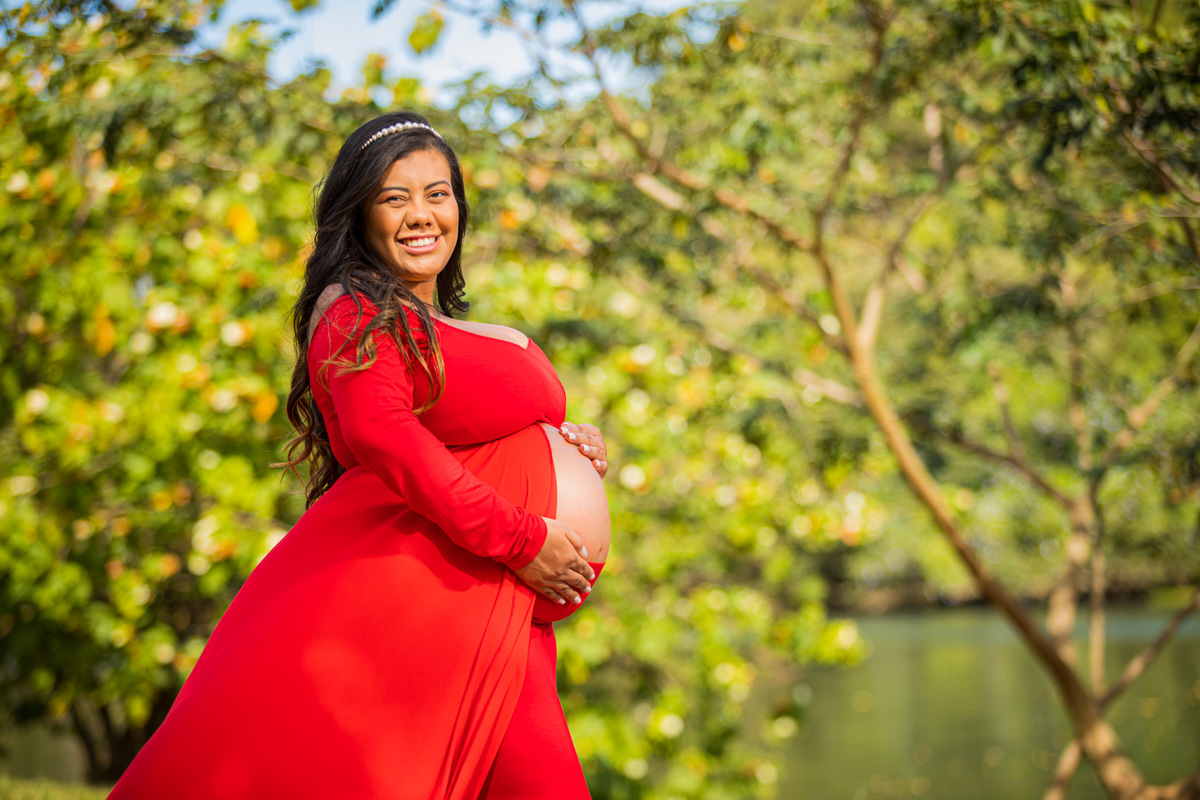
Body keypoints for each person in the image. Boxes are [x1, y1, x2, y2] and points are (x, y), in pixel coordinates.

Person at [108, 111, 612, 799]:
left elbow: (475, 426)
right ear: (359, 213)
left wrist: (569, 442)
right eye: (393, 197)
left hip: (486, 604)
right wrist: (523, 537)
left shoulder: (433, 324)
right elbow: (385, 437)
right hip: (427, 594)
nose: (421, 214)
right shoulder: (353, 310)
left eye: (438, 193)